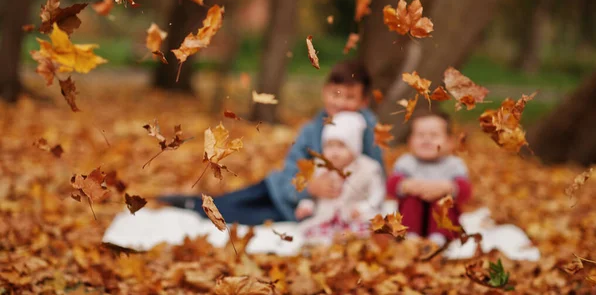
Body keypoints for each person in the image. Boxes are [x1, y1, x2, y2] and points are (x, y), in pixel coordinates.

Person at [158, 60, 383, 225]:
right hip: (282, 188)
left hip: (304, 209)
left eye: (350, 97)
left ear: (364, 101)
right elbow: (291, 169)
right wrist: (309, 187)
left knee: (243, 216)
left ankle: (195, 205)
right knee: (232, 201)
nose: (341, 103)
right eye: (336, 94)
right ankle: (191, 203)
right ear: (325, 93)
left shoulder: (368, 132)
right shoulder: (311, 130)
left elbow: (376, 175)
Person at [295, 111, 385, 244]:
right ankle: (327, 242)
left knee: (366, 230)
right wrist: (306, 205)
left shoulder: (368, 168)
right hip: (327, 217)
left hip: (354, 217)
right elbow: (313, 195)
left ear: (354, 148)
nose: (334, 152)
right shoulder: (320, 166)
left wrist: (363, 208)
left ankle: (354, 240)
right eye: (329, 146)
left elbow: (377, 194)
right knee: (313, 233)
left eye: (341, 146)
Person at [386, 111, 472, 246]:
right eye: (420, 135)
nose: (426, 140)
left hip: (444, 219)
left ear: (449, 142)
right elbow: (391, 186)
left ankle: (439, 238)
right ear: (410, 141)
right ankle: (410, 236)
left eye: (434, 135)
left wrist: (449, 187)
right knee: (411, 200)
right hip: (412, 215)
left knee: (443, 203)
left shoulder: (454, 164)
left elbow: (466, 191)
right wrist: (405, 185)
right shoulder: (406, 162)